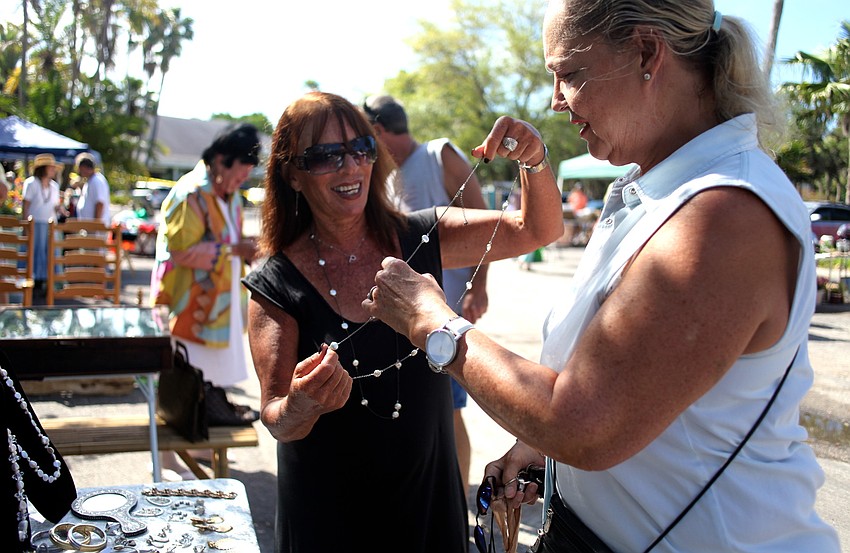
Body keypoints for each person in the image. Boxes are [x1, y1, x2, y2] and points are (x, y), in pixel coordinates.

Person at [362, 1, 841, 552]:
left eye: (568, 74)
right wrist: (540, 450)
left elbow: (583, 424)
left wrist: (433, 322)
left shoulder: (724, 214)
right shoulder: (657, 188)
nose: (556, 101)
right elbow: (631, 394)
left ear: (645, 52)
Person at [242, 91, 562, 552]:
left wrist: (533, 160)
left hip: (427, 510)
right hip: (328, 522)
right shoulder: (275, 284)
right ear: (292, 175)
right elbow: (276, 418)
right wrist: (300, 404)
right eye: (326, 155)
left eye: (361, 149)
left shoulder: (420, 235)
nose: (350, 166)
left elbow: (537, 230)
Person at [363, 93, 488, 497]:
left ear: (379, 131)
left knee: (449, 412)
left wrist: (480, 286)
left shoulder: (439, 155)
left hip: (444, 318)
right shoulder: (384, 175)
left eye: (367, 136)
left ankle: (458, 500)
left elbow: (486, 220)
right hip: (404, 322)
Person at [149, 123, 261, 479]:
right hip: (190, 304)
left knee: (207, 380)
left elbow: (227, 242)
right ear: (219, 161)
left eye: (245, 176)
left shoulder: (225, 194)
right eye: (238, 173)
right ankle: (170, 459)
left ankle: (194, 450)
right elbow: (181, 251)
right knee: (184, 380)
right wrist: (235, 249)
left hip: (217, 305)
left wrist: (243, 250)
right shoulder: (191, 194)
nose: (240, 182)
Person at [21, 153, 64, 293]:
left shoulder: (54, 186)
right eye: (51, 167)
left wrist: (62, 210)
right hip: (35, 224)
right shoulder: (31, 183)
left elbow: (55, 204)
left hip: (50, 224)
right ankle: (35, 284)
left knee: (50, 253)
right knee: (35, 252)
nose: (53, 170)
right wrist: (25, 224)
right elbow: (26, 205)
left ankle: (49, 284)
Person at [74, 152, 110, 227]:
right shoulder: (91, 180)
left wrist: (95, 225)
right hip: (90, 227)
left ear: (83, 167)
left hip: (96, 229)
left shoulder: (96, 181)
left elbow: (100, 203)